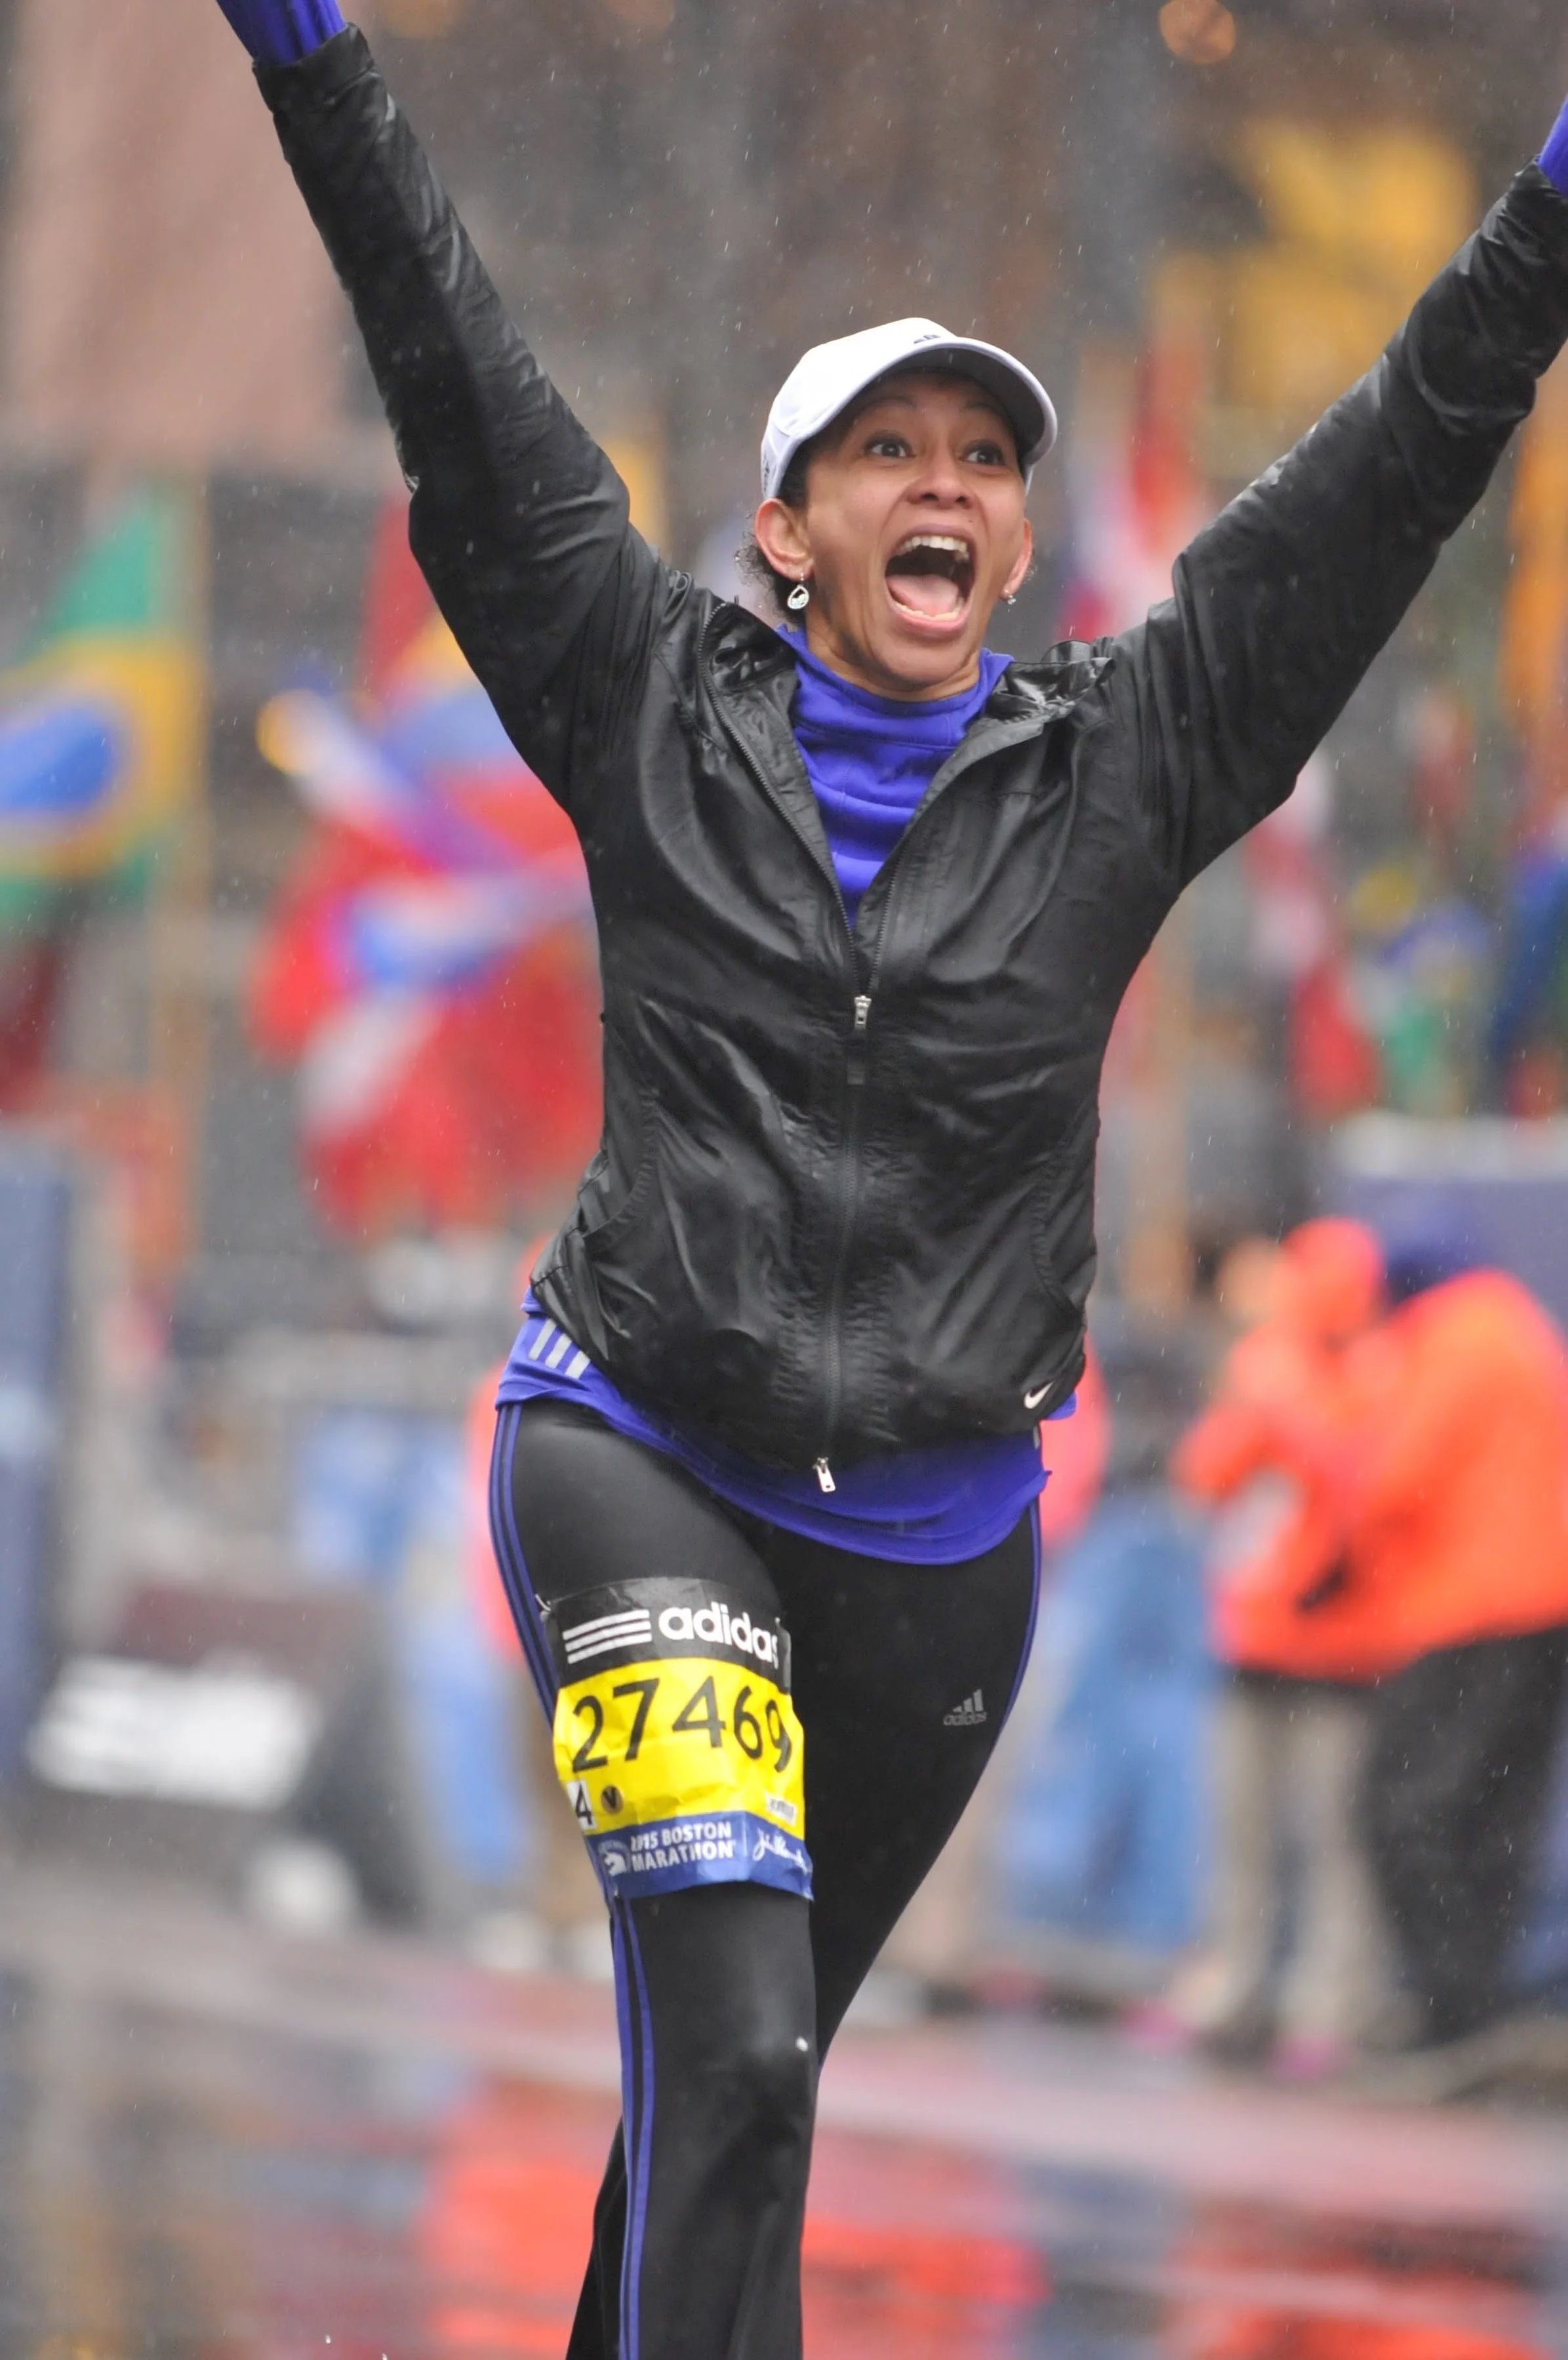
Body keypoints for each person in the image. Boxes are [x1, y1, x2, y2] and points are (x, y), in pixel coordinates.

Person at [209, 5, 1568, 2348]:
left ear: (1013, 535)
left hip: (937, 1566)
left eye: (981, 455)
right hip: (638, 1459)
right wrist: (315, 67)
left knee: (729, 2107)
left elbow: (1396, 464)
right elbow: (448, 354)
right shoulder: (639, 693)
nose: (942, 481)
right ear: (789, 523)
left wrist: (1546, 211)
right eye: (885, 448)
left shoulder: (1124, 768)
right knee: (732, 2048)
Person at [1168, 1221, 1400, 2077]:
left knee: (1334, 1838)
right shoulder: (1267, 1360)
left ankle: (1326, 2003)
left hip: (1342, 1648)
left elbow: (1367, 1486)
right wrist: (1253, 1411)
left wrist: (1285, 1415)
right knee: (1241, 1833)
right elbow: (1205, 1474)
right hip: (1256, 1637)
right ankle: (1235, 1987)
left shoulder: (1382, 1367)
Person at [1349, 1233, 1568, 2063]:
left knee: (1403, 1807)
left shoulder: (1450, 1338)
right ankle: (1477, 2001)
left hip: (1466, 1610)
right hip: (1543, 1603)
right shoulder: (1519, 1324)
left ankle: (1451, 2009)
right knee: (1497, 1811)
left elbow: (1395, 1475)